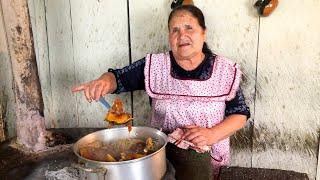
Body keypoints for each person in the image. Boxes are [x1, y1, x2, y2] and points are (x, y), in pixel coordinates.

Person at [72, 5, 250, 180]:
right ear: (169, 36)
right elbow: (118, 78)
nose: (182, 36)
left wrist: (212, 134)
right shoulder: (155, 66)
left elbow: (240, 113)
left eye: (189, 28)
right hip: (160, 156)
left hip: (207, 159)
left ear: (203, 32)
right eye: (175, 30)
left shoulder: (225, 70)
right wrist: (104, 82)